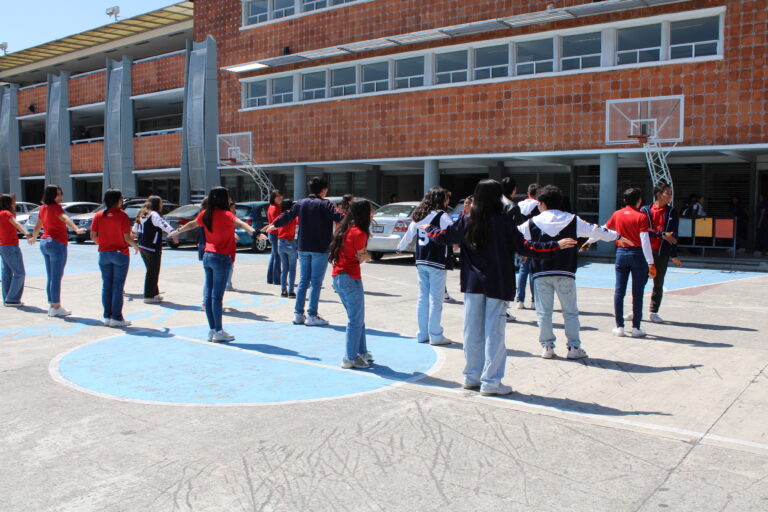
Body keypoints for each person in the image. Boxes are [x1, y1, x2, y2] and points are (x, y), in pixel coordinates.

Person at [421, 179, 576, 396]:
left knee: (471, 331)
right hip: (498, 283)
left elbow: (443, 237)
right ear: (497, 197)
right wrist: (555, 245)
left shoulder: (466, 220)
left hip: (473, 284)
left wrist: (429, 228)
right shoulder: (504, 222)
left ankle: (471, 377)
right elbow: (526, 247)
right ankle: (491, 382)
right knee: (494, 333)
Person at [518, 185, 629, 359]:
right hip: (565, 271)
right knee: (570, 312)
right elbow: (597, 231)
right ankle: (573, 347)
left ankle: (547, 347)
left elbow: (514, 237)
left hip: (540, 272)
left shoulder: (532, 223)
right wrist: (618, 236)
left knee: (544, 312)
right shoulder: (572, 220)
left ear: (542, 203)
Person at [176, 187, 262, 342]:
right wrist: (256, 233)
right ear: (223, 199)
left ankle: (213, 329)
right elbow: (241, 223)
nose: (230, 199)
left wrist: (177, 231)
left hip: (208, 256)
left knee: (209, 297)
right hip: (221, 258)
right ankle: (219, 331)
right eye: (228, 196)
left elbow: (192, 224)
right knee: (216, 297)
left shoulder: (206, 213)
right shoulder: (226, 214)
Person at [267, 176, 343, 326]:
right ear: (323, 190)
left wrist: (274, 225)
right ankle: (312, 315)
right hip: (320, 248)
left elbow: (287, 215)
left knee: (303, 281)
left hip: (303, 247)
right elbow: (339, 217)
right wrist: (355, 219)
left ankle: (298, 314)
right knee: (315, 283)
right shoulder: (326, 204)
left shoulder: (301, 203)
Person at [397, 186, 454, 346]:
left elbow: (409, 234)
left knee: (423, 299)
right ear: (441, 200)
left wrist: (400, 247)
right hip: (436, 260)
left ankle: (422, 333)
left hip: (421, 259)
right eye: (446, 198)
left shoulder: (419, 215)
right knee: (436, 300)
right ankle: (435, 335)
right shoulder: (442, 215)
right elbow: (453, 232)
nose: (448, 201)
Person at [329, 199, 375, 369]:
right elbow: (361, 257)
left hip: (338, 277)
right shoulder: (359, 233)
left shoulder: (345, 228)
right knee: (355, 320)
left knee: (357, 317)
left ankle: (362, 352)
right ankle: (350, 358)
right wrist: (368, 255)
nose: (373, 213)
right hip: (350, 278)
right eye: (371, 210)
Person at [606, 187, 657, 338]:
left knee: (619, 290)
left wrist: (589, 241)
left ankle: (619, 327)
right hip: (637, 254)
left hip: (621, 253)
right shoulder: (641, 216)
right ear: (639, 200)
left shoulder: (617, 214)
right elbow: (644, 240)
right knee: (638, 292)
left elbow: (604, 229)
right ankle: (636, 328)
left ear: (624, 200)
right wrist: (651, 262)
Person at [30, 184, 86, 317]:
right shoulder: (56, 208)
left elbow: (38, 225)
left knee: (51, 276)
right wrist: (76, 229)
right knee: (56, 277)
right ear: (52, 196)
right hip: (57, 243)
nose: (61, 196)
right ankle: (56, 306)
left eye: (61, 193)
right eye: (58, 194)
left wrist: (34, 236)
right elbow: (65, 218)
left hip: (44, 242)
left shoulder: (43, 208)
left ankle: (52, 304)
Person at [91, 189, 138, 327]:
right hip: (120, 253)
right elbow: (127, 237)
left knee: (107, 285)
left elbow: (93, 236)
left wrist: (104, 243)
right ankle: (116, 318)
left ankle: (107, 316)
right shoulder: (122, 215)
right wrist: (135, 246)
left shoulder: (98, 215)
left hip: (104, 253)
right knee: (118, 286)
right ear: (118, 200)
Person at [640, 182, 681, 324]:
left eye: (670, 193)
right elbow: (644, 230)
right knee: (640, 281)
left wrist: (674, 255)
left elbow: (674, 235)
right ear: (659, 194)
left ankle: (653, 312)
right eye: (667, 193)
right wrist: (662, 234)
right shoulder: (645, 210)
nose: (670, 195)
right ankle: (635, 310)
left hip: (662, 252)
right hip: (645, 252)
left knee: (658, 282)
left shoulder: (672, 212)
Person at [133, 196, 177, 304]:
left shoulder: (142, 214)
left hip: (142, 246)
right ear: (156, 204)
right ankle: (148, 296)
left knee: (151, 271)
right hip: (152, 247)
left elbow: (134, 230)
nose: (162, 205)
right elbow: (164, 224)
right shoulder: (154, 214)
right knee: (152, 272)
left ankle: (155, 293)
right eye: (161, 203)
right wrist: (173, 232)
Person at [0, 194, 32, 307]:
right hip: (10, 246)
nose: (14, 203)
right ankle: (12, 299)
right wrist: (26, 233)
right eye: (13, 201)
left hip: (3, 246)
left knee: (6, 273)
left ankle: (7, 298)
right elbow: (16, 223)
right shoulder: (7, 213)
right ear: (8, 203)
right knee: (19, 273)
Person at [514, 183, 540, 310]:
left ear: (528, 193)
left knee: (522, 270)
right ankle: (534, 301)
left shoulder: (519, 205)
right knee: (534, 272)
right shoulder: (539, 206)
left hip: (522, 241)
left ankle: (520, 300)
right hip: (535, 242)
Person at [277, 198, 299, 297]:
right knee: (292, 269)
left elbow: (273, 225)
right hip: (290, 242)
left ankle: (283, 291)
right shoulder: (293, 217)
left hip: (280, 243)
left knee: (284, 268)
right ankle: (291, 291)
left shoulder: (279, 217)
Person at [266, 190, 283, 285]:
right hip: (275, 234)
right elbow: (276, 221)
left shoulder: (273, 206)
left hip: (272, 234)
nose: (280, 197)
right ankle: (277, 279)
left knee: (274, 256)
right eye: (277, 196)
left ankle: (270, 278)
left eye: (280, 195)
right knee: (277, 257)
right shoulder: (275, 208)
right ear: (273, 198)